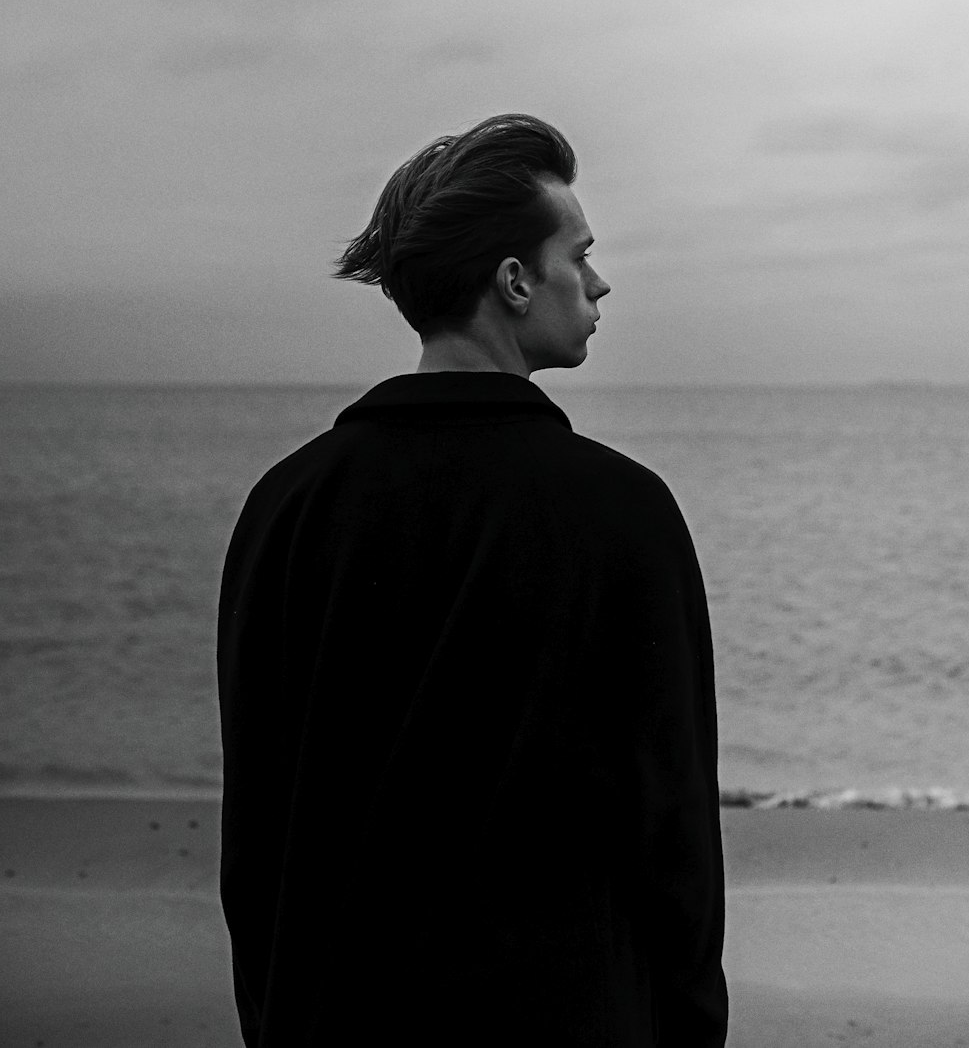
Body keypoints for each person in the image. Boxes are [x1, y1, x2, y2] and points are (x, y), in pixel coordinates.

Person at [217, 112, 728, 1047]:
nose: (601, 278)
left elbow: (258, 838)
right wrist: (691, 1024)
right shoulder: (624, 513)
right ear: (515, 281)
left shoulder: (285, 507)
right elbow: (675, 830)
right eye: (581, 253)